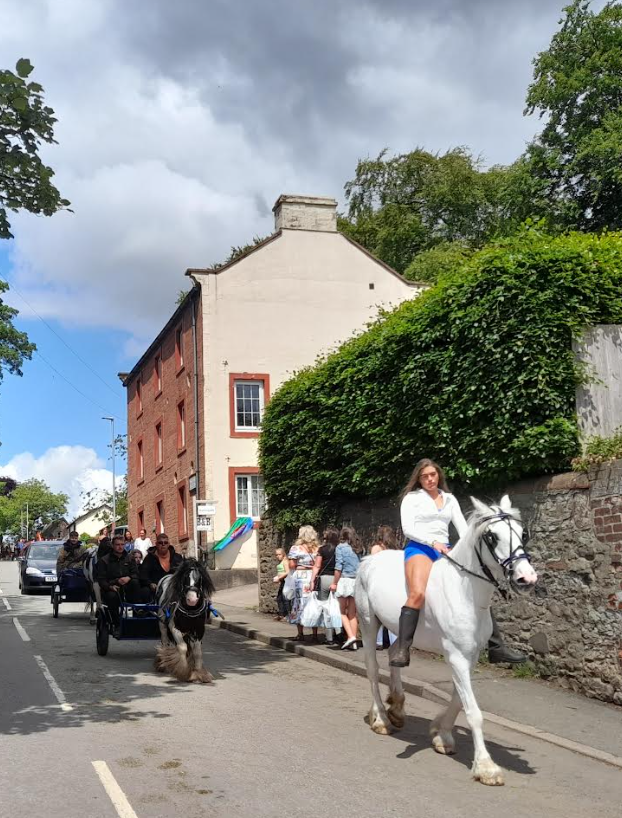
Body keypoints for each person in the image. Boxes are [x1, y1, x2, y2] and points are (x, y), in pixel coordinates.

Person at [391, 458, 526, 668]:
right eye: (424, 476)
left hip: (445, 549)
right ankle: (402, 648)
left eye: (432, 475)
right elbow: (408, 529)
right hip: (420, 548)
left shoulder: (450, 499)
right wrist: (432, 542)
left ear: (439, 476)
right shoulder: (412, 498)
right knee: (417, 593)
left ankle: (496, 647)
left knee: (478, 589)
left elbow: (463, 530)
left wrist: (467, 549)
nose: (429, 479)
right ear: (419, 479)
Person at [97, 535, 147, 635]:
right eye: (117, 545)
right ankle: (117, 624)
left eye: (122, 544)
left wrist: (128, 577)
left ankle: (138, 610)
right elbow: (101, 580)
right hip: (113, 588)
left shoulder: (130, 558)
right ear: (112, 545)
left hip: (128, 587)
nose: (120, 547)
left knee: (137, 583)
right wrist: (110, 586)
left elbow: (136, 573)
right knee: (112, 597)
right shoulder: (104, 560)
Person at [307, 526, 340, 645]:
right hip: (338, 579)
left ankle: (329, 637)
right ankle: (339, 633)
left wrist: (312, 581)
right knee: (338, 607)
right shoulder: (340, 549)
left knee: (326, 609)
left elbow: (317, 566)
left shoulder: (322, 549)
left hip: (324, 579)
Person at [287, 525, 319, 642]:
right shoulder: (318, 548)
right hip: (313, 577)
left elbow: (291, 565)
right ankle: (315, 634)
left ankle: (300, 633)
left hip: (301, 577)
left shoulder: (296, 549)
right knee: (314, 604)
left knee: (299, 603)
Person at [330, 526, 361, 651]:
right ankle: (352, 640)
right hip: (356, 581)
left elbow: (338, 568)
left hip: (344, 580)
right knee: (352, 614)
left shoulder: (340, 547)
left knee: (341, 612)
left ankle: (351, 638)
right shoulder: (359, 548)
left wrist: (334, 583)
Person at [371, 525, 400, 650]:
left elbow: (372, 566)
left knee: (378, 613)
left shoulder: (376, 548)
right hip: (394, 583)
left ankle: (379, 641)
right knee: (392, 614)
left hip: (380, 583)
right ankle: (394, 642)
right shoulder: (397, 549)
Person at [272, 547, 291, 620]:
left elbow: (287, 572)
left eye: (279, 554)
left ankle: (287, 615)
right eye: (276, 555)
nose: (278, 556)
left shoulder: (285, 561)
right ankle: (281, 614)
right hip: (282, 581)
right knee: (279, 598)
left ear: (283, 554)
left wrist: (279, 578)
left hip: (286, 581)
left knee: (285, 598)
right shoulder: (281, 562)